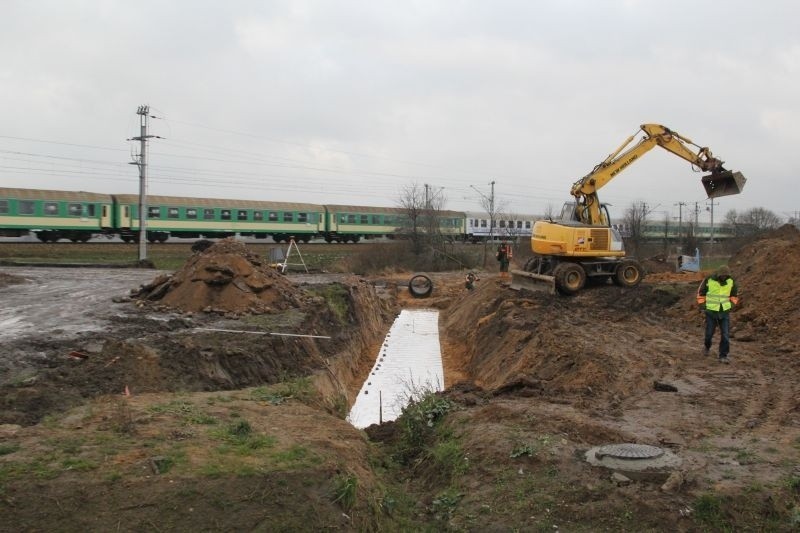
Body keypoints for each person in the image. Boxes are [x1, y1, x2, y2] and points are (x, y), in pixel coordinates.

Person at [696, 265, 740, 363]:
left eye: (726, 276)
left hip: (724, 312)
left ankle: (723, 355)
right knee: (709, 334)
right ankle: (707, 347)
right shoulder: (709, 280)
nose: (724, 277)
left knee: (725, 334)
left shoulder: (731, 281)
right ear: (718, 275)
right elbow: (700, 294)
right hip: (711, 312)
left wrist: (730, 306)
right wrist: (704, 307)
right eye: (722, 276)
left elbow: (734, 295)